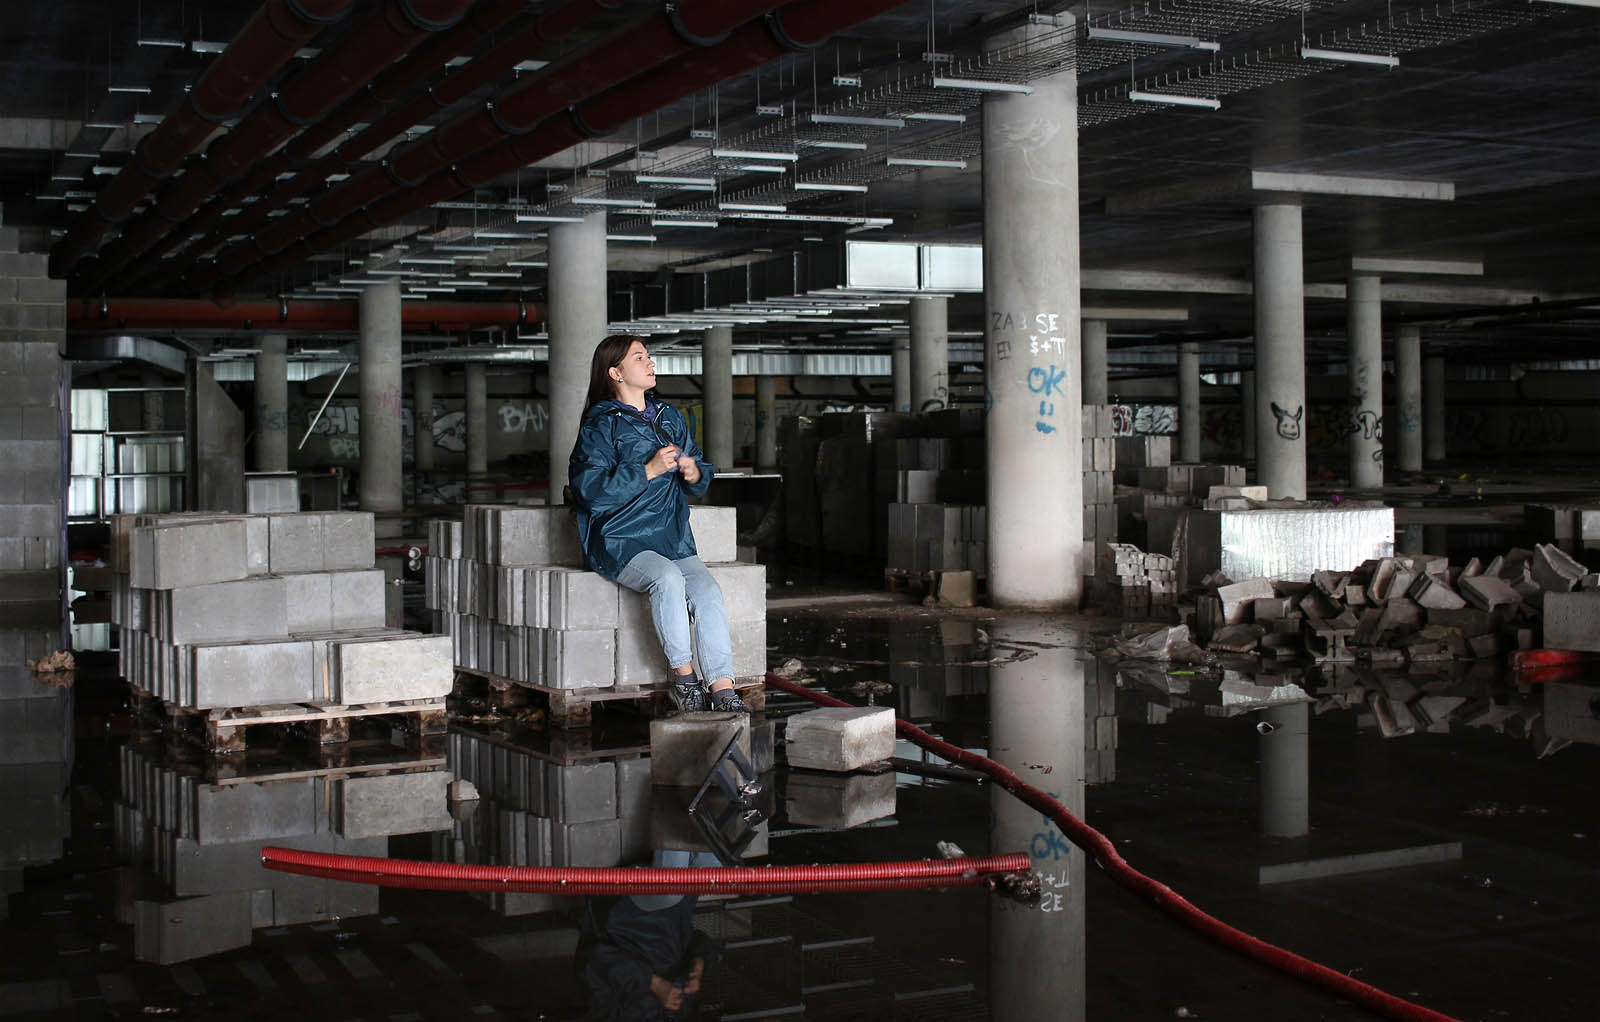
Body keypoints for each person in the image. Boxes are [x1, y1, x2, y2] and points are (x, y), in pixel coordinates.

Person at [569, 335, 749, 713]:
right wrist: (647, 471)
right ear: (615, 373)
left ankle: (722, 689)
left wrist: (694, 470)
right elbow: (589, 490)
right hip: (620, 539)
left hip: (672, 537)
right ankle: (685, 682)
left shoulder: (668, 417)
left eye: (649, 357)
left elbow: (702, 471)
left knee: (708, 594)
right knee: (666, 579)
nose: (651, 364)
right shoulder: (601, 426)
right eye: (640, 358)